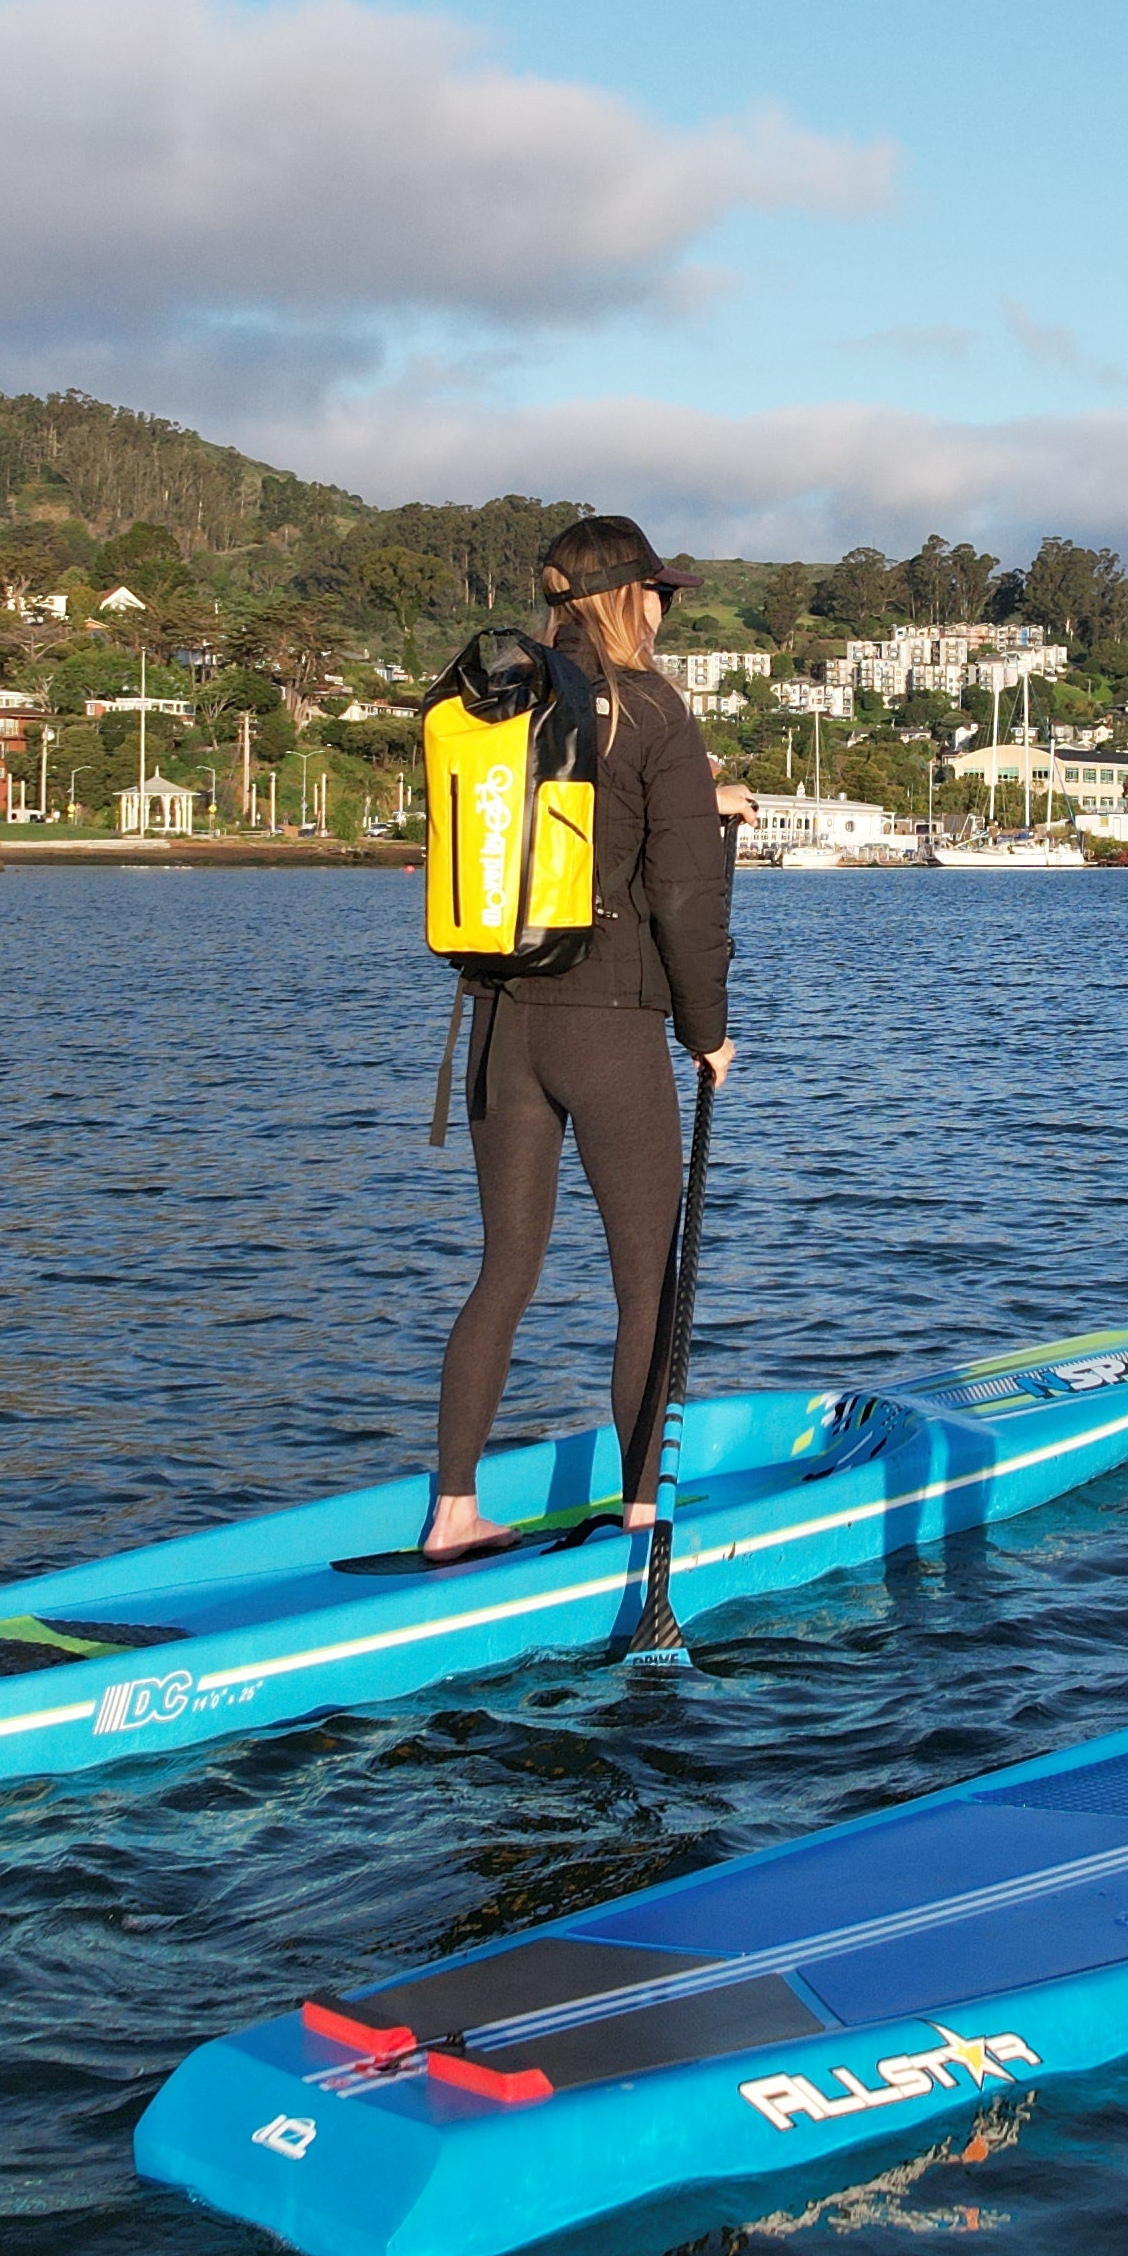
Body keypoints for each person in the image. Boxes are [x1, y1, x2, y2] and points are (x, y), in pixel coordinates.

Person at [422, 513, 740, 1556]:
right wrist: (710, 1030)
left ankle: (454, 1509)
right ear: (628, 598)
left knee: (504, 1269)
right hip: (608, 1028)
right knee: (646, 1278)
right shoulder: (651, 710)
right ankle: (647, 1509)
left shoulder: (495, 701)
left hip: (502, 1020)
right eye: (661, 594)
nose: (665, 611)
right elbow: (686, 899)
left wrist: (704, 799)